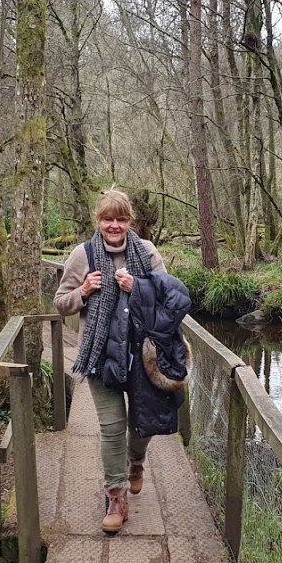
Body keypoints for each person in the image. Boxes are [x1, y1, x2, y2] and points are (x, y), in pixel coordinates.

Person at [53, 189, 190, 535]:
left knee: (141, 423)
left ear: (130, 222)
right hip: (100, 356)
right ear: (98, 221)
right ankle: (116, 497)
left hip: (143, 355)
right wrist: (82, 292)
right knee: (113, 428)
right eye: (107, 219)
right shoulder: (82, 255)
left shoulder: (146, 252)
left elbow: (172, 296)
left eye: (121, 219)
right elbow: (60, 303)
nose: (114, 225)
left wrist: (140, 285)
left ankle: (137, 462)